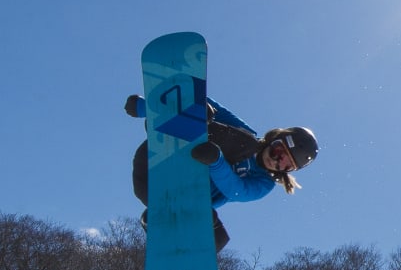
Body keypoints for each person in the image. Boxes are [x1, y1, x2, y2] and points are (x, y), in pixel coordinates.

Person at [126, 94, 318, 251]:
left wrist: (216, 161)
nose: (276, 162)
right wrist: (145, 107)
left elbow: (236, 190)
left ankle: (166, 226)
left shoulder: (264, 183)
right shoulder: (246, 137)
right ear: (275, 139)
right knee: (220, 122)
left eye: (286, 165)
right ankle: (169, 126)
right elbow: (206, 100)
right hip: (157, 159)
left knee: (217, 238)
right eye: (279, 151)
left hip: (168, 193)